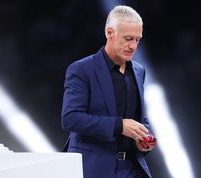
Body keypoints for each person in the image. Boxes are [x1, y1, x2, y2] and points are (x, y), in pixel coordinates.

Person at [61, 5, 156, 178]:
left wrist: (142, 137)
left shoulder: (139, 71)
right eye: (128, 39)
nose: (133, 46)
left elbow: (138, 117)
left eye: (137, 39)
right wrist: (119, 125)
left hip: (132, 168)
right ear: (110, 33)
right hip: (94, 167)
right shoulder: (81, 69)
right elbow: (70, 119)